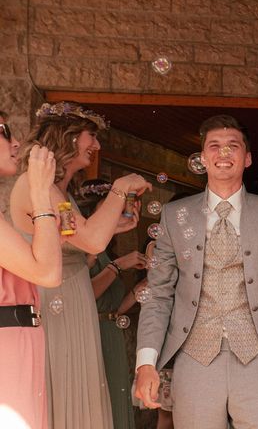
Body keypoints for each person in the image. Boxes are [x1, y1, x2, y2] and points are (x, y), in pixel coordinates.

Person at [135, 114, 258, 428]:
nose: (223, 153)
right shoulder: (175, 216)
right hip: (194, 361)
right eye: (214, 146)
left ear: (247, 157)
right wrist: (146, 363)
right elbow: (158, 294)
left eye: (232, 146)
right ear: (202, 157)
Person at [10, 101, 151, 429]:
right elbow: (93, 241)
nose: (97, 146)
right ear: (69, 137)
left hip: (71, 302)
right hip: (54, 303)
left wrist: (115, 223)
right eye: (92, 136)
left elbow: (78, 236)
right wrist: (120, 188)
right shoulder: (38, 185)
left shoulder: (57, 189)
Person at [0, 110, 61, 429]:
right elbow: (48, 274)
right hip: (7, 346)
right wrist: (39, 195)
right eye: (3, 131)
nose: (16, 141)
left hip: (18, 338)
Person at [79, 179, 148, 429]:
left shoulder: (106, 251)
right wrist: (119, 266)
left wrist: (139, 291)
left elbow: (112, 311)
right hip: (90, 336)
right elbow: (86, 295)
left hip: (111, 334)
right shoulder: (84, 250)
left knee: (116, 402)